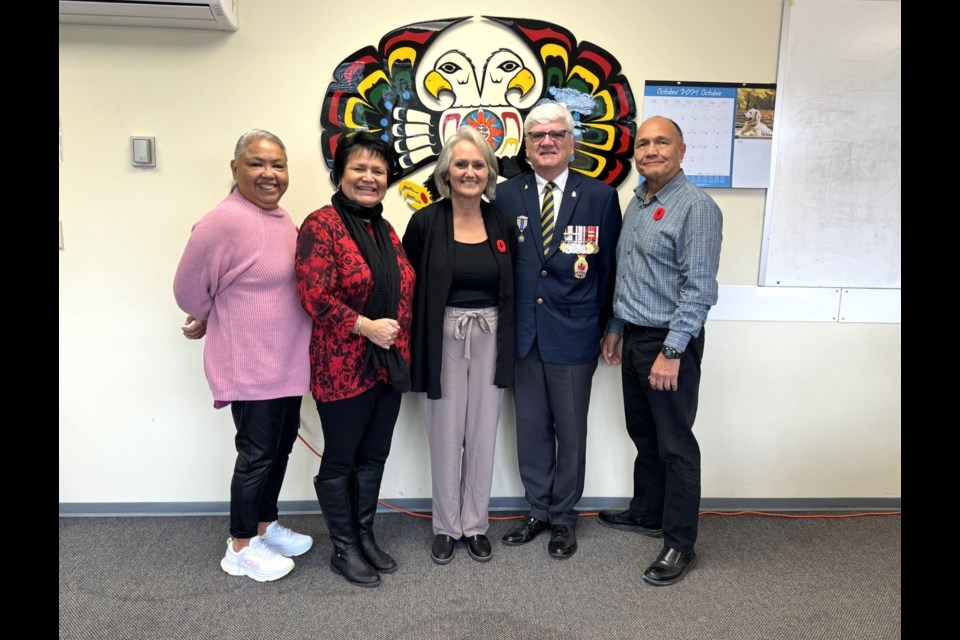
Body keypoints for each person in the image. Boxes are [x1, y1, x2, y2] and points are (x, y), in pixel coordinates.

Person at [173, 129, 314, 582]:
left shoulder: (278, 217)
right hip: (251, 364)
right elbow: (188, 288)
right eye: (257, 164)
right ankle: (239, 545)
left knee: (280, 446)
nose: (269, 174)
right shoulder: (223, 220)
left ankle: (263, 525)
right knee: (256, 454)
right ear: (235, 169)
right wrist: (206, 313)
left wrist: (211, 310)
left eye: (278, 164)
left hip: (287, 361)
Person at [598, 116, 722, 586]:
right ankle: (646, 513)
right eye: (644, 143)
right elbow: (628, 274)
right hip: (633, 336)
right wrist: (614, 326)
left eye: (661, 142)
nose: (651, 150)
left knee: (676, 445)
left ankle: (679, 543)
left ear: (682, 151)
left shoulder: (696, 207)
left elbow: (700, 288)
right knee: (643, 434)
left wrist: (672, 351)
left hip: (669, 342)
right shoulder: (637, 201)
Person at [495, 102, 622, 559]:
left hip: (575, 333)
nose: (547, 142)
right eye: (537, 136)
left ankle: (565, 517)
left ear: (572, 142)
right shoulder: (507, 195)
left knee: (570, 431)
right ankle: (538, 510)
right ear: (526, 146)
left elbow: (609, 269)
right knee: (530, 430)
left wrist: (613, 325)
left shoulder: (600, 197)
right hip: (524, 336)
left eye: (556, 134)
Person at [295, 131, 415, 588]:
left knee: (373, 457)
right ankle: (342, 549)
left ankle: (364, 537)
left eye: (377, 171)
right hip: (342, 365)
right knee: (342, 459)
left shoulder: (383, 228)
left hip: (388, 366)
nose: (368, 178)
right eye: (359, 169)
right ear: (340, 174)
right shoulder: (320, 225)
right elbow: (313, 295)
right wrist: (366, 325)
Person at [401, 127, 515, 565]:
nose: (470, 171)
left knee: (482, 436)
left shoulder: (501, 221)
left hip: (490, 335)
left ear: (489, 171)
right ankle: (447, 526)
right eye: (461, 163)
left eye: (478, 163)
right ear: (446, 170)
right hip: (443, 337)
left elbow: (513, 288)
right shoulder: (426, 221)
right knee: (446, 436)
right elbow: (407, 287)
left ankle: (476, 524)